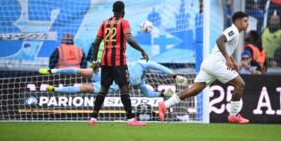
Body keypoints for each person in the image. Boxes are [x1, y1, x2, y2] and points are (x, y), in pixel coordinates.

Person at [158, 11, 250, 124]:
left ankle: (164, 105)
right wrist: (227, 59)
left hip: (209, 63)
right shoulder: (233, 31)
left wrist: (232, 60)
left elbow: (223, 46)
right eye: (245, 21)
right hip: (216, 64)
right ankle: (234, 115)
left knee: (193, 90)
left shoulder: (235, 32)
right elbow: (219, 40)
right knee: (240, 84)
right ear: (238, 22)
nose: (247, 23)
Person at [89, 1, 149, 126]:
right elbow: (129, 39)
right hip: (118, 60)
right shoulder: (124, 22)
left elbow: (95, 43)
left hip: (105, 60)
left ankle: (93, 118)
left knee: (103, 89)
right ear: (123, 10)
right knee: (124, 88)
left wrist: (95, 61)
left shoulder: (104, 23)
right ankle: (131, 119)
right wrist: (142, 50)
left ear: (112, 10)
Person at [40, 60, 187, 97]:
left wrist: (161, 94)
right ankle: (52, 71)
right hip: (107, 72)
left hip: (110, 86)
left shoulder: (141, 82)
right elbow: (158, 66)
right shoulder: (141, 63)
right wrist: (173, 74)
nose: (150, 68)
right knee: (81, 71)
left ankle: (55, 89)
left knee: (83, 88)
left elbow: (148, 93)